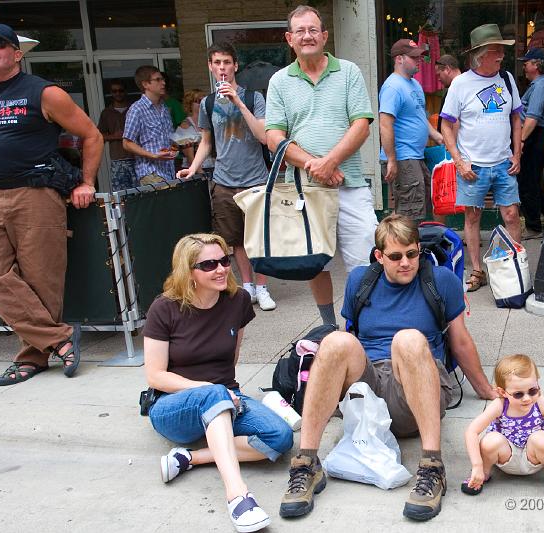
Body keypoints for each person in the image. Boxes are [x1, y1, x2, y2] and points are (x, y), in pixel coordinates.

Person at [279, 214, 496, 522]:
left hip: (418, 383)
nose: (406, 262)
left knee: (406, 339)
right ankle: (306, 464)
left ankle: (433, 467)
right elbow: (348, 342)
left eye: (412, 253)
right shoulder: (360, 280)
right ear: (379, 256)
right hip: (370, 390)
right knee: (335, 340)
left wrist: (486, 390)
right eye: (395, 256)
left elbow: (460, 341)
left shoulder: (440, 280)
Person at [0, 21, 102, 385]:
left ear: (17, 54)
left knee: (41, 280)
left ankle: (31, 358)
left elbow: (91, 135)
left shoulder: (44, 92)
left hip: (36, 193)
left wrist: (86, 182)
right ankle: (59, 338)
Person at [144, 233, 292, 533]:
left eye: (224, 260)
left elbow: (230, 359)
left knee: (281, 438)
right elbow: (155, 375)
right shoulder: (164, 308)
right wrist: (212, 392)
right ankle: (238, 496)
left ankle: (190, 459)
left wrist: (224, 395)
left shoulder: (236, 301)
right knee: (212, 392)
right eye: (209, 264)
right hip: (173, 406)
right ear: (188, 271)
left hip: (227, 396)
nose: (222, 269)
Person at [266, 4, 378, 326]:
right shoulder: (279, 81)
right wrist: (318, 166)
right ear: (289, 38)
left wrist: (331, 162)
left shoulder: (349, 72)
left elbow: (361, 125)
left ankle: (364, 324)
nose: (307, 36)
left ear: (324, 35)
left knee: (365, 260)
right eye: (299, 31)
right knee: (315, 263)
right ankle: (329, 326)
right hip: (303, 191)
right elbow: (274, 137)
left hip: (350, 184)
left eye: (313, 29)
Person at [177, 42, 276, 311]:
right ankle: (248, 286)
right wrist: (193, 167)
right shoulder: (208, 103)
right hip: (224, 181)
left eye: (227, 62)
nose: (222, 67)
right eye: (217, 63)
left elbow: (263, 136)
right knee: (235, 241)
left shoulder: (254, 97)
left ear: (235, 65)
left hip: (255, 179)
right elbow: (206, 142)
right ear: (211, 66)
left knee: (259, 239)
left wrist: (237, 101)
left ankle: (264, 286)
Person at [440, 24, 523, 292]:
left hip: (503, 162)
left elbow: (516, 118)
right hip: (472, 165)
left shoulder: (507, 79)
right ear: (479, 55)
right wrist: (459, 161)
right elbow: (445, 126)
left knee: (511, 214)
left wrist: (518, 152)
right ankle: (477, 270)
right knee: (472, 217)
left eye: (501, 50)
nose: (501, 56)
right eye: (495, 51)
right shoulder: (460, 84)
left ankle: (514, 266)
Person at [461, 354, 544, 499]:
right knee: (490, 440)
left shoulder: (541, 403)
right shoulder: (500, 405)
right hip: (505, 456)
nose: (527, 398)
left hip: (534, 456)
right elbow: (472, 431)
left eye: (533, 390)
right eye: (518, 394)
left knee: (542, 439)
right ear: (502, 392)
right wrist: (477, 465)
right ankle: (482, 473)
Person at [379, 39, 445, 221]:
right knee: (409, 215)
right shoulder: (392, 87)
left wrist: (437, 136)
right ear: (399, 59)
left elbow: (420, 116)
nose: (419, 61)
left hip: (415, 156)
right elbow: (384, 124)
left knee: (421, 208)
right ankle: (400, 248)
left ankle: (412, 247)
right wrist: (391, 159)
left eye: (419, 57)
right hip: (403, 158)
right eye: (414, 57)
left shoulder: (414, 85)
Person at [516, 48, 544, 240]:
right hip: (536, 135)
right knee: (532, 182)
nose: (524, 65)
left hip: (535, 135)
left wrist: (521, 140)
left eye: (527, 62)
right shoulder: (541, 84)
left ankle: (534, 226)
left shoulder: (540, 85)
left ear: (537, 65)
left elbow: (532, 117)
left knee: (528, 182)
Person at [122, 65, 178, 185]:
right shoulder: (137, 109)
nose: (163, 83)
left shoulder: (164, 108)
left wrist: (175, 147)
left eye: (163, 79)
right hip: (149, 172)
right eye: (158, 80)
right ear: (145, 84)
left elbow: (169, 139)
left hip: (169, 171)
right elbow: (126, 143)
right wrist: (153, 155)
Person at [97, 80, 136, 191]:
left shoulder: (134, 109)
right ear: (111, 93)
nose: (118, 93)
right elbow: (99, 136)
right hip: (117, 160)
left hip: (137, 158)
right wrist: (115, 136)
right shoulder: (106, 113)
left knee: (141, 193)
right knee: (121, 194)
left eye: (120, 90)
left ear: (125, 92)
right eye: (114, 91)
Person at [174, 88, 213, 173]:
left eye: (204, 100)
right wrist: (202, 173)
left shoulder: (209, 122)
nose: (202, 103)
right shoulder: (185, 125)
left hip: (211, 166)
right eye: (198, 101)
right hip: (195, 171)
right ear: (190, 104)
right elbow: (189, 156)